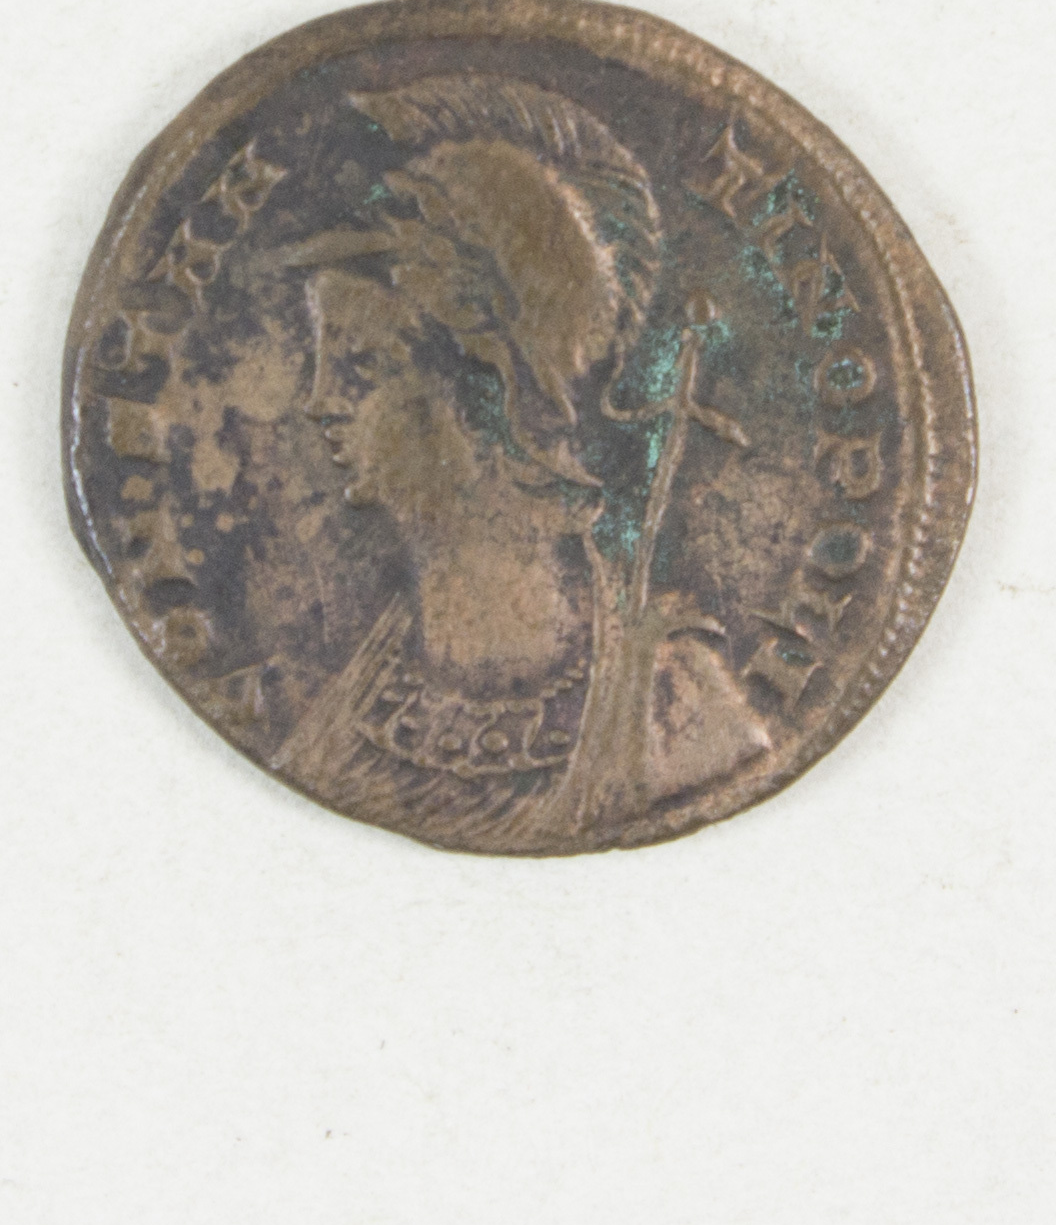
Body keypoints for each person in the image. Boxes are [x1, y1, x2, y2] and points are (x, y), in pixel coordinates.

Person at [270, 75, 770, 852]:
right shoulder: (344, 703)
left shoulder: (674, 706)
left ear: (495, 392)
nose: (320, 403)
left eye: (364, 368)